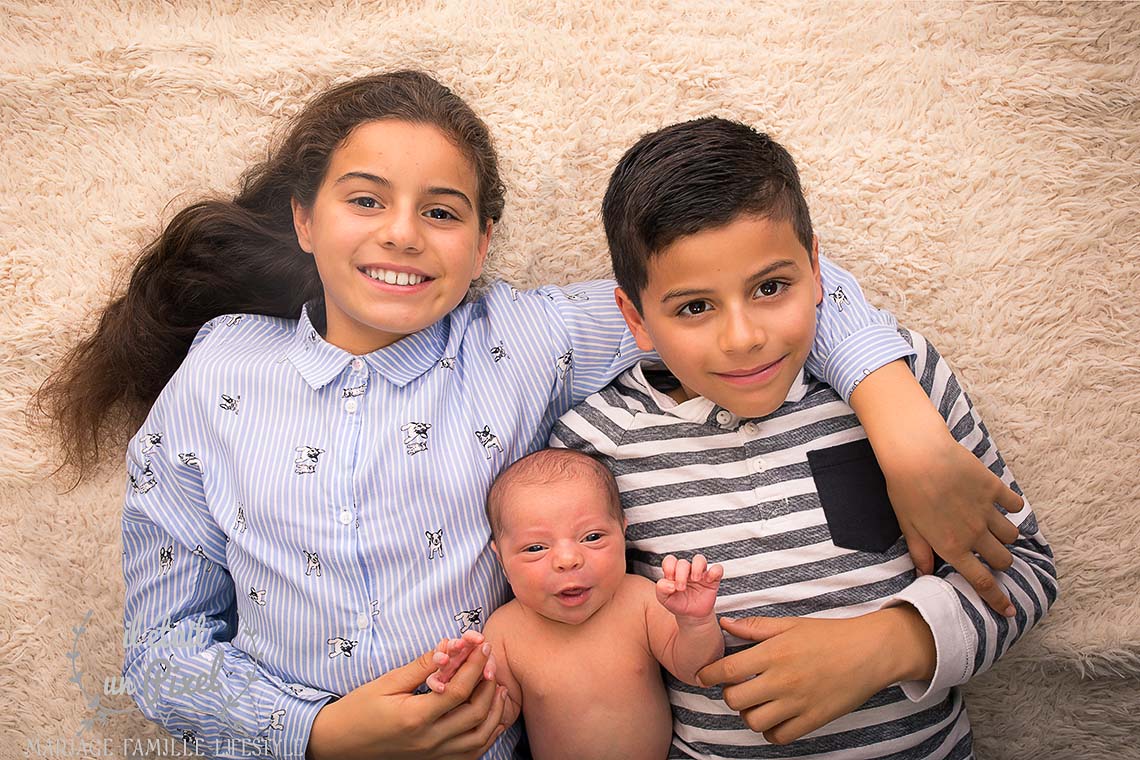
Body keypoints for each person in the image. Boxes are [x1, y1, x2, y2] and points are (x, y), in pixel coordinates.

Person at [34, 70, 1026, 760]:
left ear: (483, 242)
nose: (402, 234)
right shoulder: (217, 372)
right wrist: (320, 734)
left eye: (443, 210)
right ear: (304, 219)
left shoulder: (526, 338)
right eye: (364, 199)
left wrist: (899, 420)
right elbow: (162, 653)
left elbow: (745, 279)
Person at [550, 116, 1058, 759]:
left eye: (770, 287)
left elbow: (1027, 572)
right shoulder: (594, 444)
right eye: (694, 307)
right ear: (636, 319)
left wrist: (889, 643)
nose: (744, 337)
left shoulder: (901, 381)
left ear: (817, 270)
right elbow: (572, 624)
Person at [428, 448, 725, 760]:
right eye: (536, 547)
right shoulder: (504, 631)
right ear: (501, 561)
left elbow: (697, 670)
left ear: (623, 534)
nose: (568, 560)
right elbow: (499, 717)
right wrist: (461, 684)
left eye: (592, 537)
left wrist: (695, 622)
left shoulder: (639, 600)